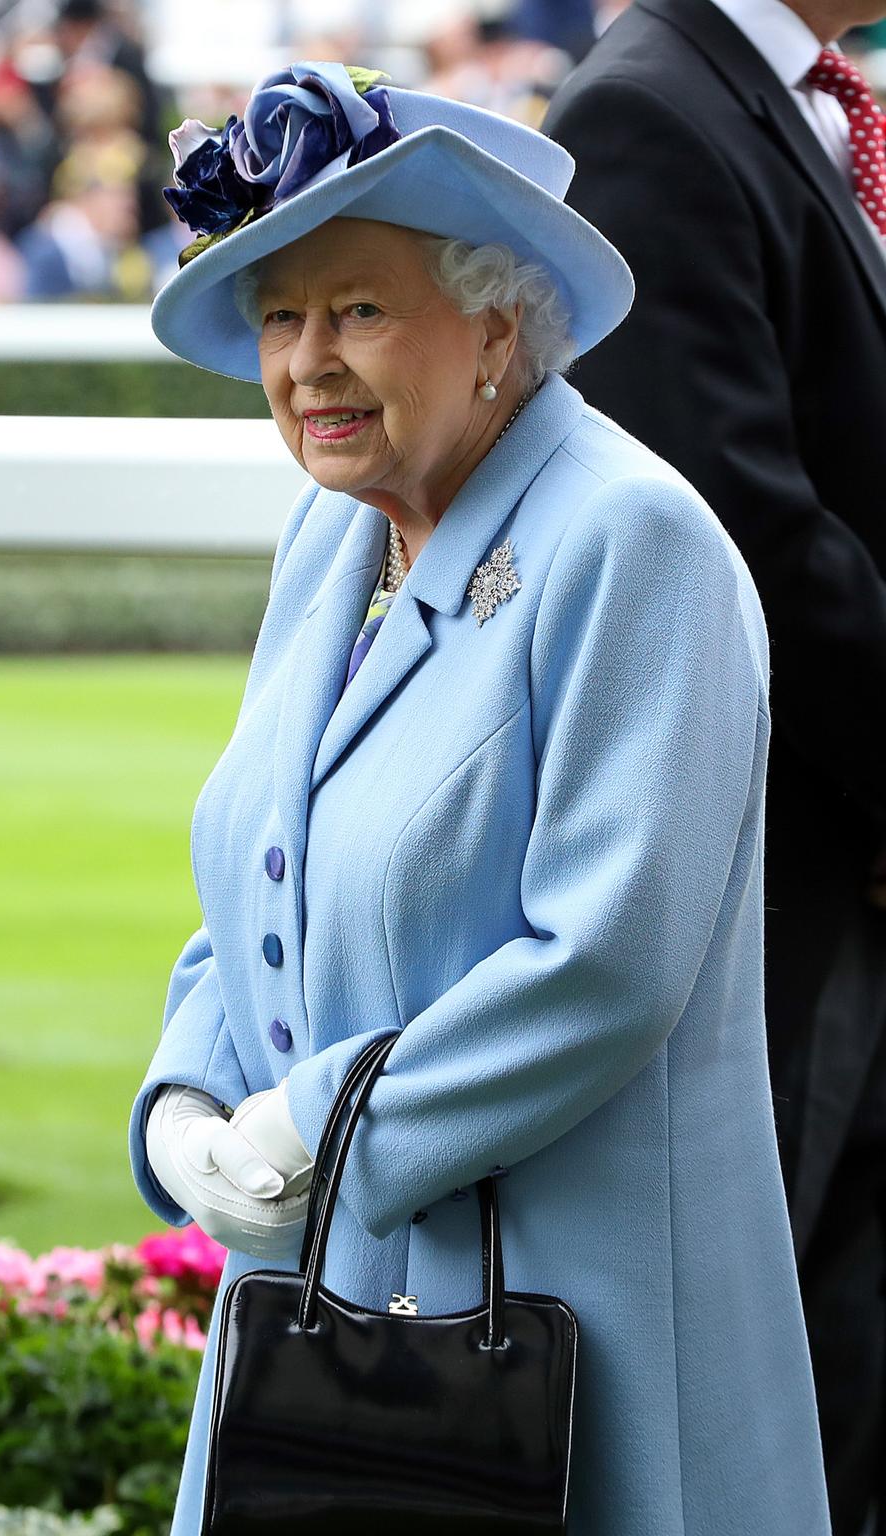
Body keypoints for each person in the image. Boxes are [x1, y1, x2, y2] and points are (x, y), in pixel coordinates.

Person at [127, 62, 831, 1536]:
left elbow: (606, 961)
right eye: (278, 316)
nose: (308, 361)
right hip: (326, 1306)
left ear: (497, 321)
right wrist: (190, 1095)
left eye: (359, 310)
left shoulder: (631, 542)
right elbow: (266, 858)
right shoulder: (328, 542)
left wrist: (313, 1129)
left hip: (579, 1326)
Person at [543, 5, 886, 1529]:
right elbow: (745, 532)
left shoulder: (797, 96)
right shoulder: (648, 113)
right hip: (788, 873)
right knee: (788, 1366)